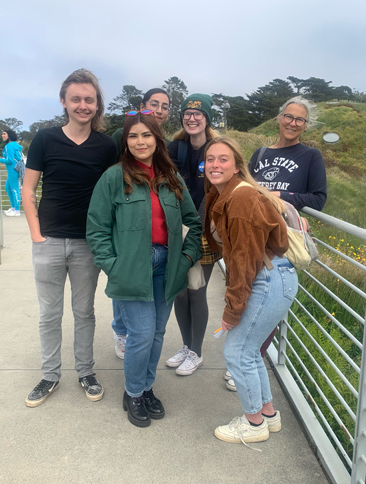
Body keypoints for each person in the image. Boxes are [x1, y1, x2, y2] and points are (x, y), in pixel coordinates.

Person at [87, 111, 201, 427]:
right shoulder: (113, 177)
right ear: (125, 141)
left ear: (157, 139)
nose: (140, 141)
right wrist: (113, 266)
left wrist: (187, 258)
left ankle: (147, 387)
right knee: (141, 334)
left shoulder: (172, 178)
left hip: (168, 264)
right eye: (133, 135)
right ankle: (133, 392)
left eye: (146, 135)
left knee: (158, 331)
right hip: (131, 268)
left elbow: (193, 222)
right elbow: (96, 228)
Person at [21, 69, 117, 408]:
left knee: (84, 312)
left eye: (89, 99)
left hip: (87, 243)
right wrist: (36, 234)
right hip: (48, 239)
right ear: (64, 101)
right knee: (49, 314)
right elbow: (28, 189)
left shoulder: (107, 146)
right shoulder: (45, 139)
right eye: (76, 98)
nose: (83, 105)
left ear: (97, 105)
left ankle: (85, 371)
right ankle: (49, 375)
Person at [204, 136, 298, 447]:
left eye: (223, 159)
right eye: (211, 159)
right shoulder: (231, 195)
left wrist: (232, 310)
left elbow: (244, 261)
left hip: (266, 279)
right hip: (275, 276)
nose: (215, 165)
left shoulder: (240, 200)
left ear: (236, 166)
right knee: (250, 351)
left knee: (237, 351)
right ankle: (268, 415)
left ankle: (253, 423)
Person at [247, 95, 327, 368]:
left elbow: (318, 199)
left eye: (299, 119)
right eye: (289, 116)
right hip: (252, 239)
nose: (292, 123)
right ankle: (245, 357)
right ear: (279, 117)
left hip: (281, 244)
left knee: (268, 304)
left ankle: (251, 359)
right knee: (246, 299)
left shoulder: (311, 156)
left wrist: (280, 195)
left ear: (306, 125)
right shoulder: (260, 154)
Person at [108, 88, 171, 360]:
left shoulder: (166, 151)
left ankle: (141, 379)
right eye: (153, 105)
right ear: (143, 106)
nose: (158, 110)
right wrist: (111, 260)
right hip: (128, 234)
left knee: (153, 328)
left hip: (162, 247)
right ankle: (120, 331)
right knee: (136, 317)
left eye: (164, 106)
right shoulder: (120, 142)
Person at [165, 93, 221, 376]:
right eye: (187, 113)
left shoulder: (217, 149)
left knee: (196, 291)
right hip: (179, 228)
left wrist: (197, 231)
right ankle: (187, 346)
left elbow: (217, 190)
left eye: (198, 113)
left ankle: (197, 352)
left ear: (207, 118)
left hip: (204, 231)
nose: (192, 117)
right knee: (179, 293)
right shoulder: (176, 147)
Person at [0, 129, 23, 217]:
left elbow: (9, 160)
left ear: (9, 135)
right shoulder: (15, 145)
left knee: (14, 189)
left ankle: (17, 210)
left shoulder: (8, 146)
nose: (3, 135)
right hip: (16, 169)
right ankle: (13, 207)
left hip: (12, 169)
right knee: (8, 188)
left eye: (4, 134)